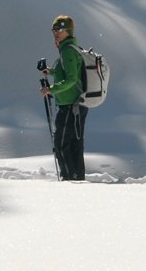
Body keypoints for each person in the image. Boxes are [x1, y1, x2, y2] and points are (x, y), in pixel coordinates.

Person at [40, 15, 88, 181]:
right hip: (75, 105)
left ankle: (69, 179)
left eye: (59, 30)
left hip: (70, 105)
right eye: (54, 30)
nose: (56, 33)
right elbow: (69, 73)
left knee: (61, 144)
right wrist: (51, 71)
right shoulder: (69, 48)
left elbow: (72, 79)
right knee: (74, 144)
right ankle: (76, 177)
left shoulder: (67, 51)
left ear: (68, 31)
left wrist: (50, 89)